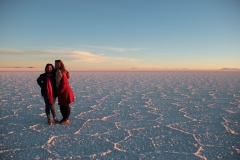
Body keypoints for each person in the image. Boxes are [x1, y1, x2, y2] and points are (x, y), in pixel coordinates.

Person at [55, 60, 75, 124]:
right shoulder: (57, 71)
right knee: (61, 105)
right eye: (55, 64)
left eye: (58, 64)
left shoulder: (62, 72)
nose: (56, 66)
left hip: (64, 91)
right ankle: (64, 118)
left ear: (61, 65)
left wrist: (60, 91)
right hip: (62, 90)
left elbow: (64, 83)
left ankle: (66, 119)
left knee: (65, 105)